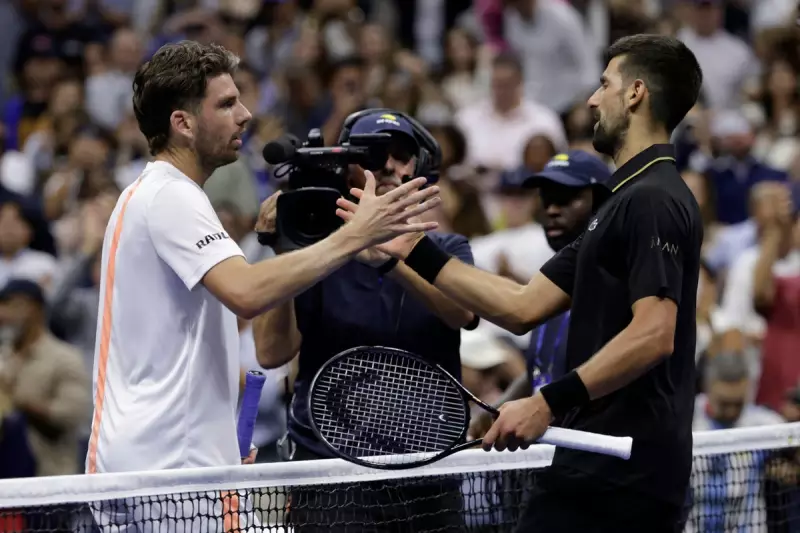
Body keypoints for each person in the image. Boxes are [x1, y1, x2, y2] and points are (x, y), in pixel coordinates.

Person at [338, 34, 704, 532]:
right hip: (594, 468)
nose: (593, 99)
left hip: (625, 474)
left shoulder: (654, 199)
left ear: (636, 93)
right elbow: (520, 305)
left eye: (604, 85)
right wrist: (407, 249)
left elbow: (654, 332)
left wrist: (548, 402)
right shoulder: (622, 203)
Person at [86, 38, 439, 485]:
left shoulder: (159, 193)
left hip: (171, 459)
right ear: (183, 123)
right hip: (165, 466)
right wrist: (356, 235)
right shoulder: (168, 195)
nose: (246, 114)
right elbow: (247, 292)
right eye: (227, 103)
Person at [252, 109, 476, 532]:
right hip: (329, 467)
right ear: (347, 168)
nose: (389, 165)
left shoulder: (446, 247)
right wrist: (280, 250)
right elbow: (271, 352)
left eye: (401, 154)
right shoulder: (316, 256)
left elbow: (462, 312)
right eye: (372, 155)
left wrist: (384, 259)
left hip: (428, 462)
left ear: (418, 166)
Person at [469, 150, 611, 439]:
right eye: (547, 198)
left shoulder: (611, 281)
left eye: (567, 198)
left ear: (603, 204)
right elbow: (541, 369)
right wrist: (501, 406)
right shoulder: (549, 282)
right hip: (545, 458)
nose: (552, 210)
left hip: (592, 454)